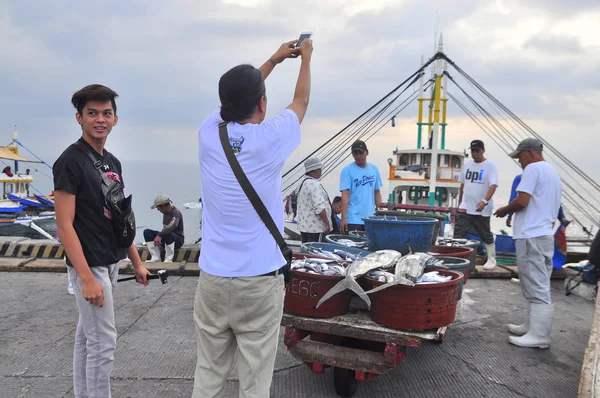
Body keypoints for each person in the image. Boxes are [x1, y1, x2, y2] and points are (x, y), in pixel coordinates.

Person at [194, 37, 313, 397]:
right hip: (259, 281)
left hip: (213, 277)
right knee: (255, 379)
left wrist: (273, 60)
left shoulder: (209, 132)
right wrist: (304, 58)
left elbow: (234, 100)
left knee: (209, 372)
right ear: (262, 104)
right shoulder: (269, 140)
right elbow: (301, 101)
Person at [53, 84, 150, 397]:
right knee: (103, 343)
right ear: (78, 118)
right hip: (89, 265)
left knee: (88, 338)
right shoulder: (70, 161)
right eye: (91, 113)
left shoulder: (112, 163)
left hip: (109, 261)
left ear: (115, 119)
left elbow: (120, 218)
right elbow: (65, 225)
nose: (99, 119)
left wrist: (136, 262)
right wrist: (85, 279)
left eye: (106, 113)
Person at [494, 138, 562, 349]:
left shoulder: (532, 170)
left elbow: (522, 201)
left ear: (531, 153)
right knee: (537, 282)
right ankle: (530, 327)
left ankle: (539, 336)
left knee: (536, 284)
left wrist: (504, 210)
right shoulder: (552, 173)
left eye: (520, 157)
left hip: (531, 235)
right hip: (544, 234)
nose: (519, 162)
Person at [454, 139, 499, 270]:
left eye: (477, 151)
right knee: (458, 233)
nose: (475, 153)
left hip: (481, 208)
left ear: (483, 150)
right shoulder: (466, 166)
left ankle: (491, 258)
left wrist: (484, 201)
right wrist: (459, 204)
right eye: (473, 151)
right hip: (465, 206)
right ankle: (458, 258)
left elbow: (493, 185)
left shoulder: (490, 166)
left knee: (485, 233)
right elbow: (462, 185)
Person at [339, 140, 383, 234]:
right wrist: (343, 218)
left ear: (367, 152)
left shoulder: (374, 169)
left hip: (370, 218)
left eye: (361, 153)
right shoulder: (347, 170)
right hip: (353, 219)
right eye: (356, 153)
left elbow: (377, 191)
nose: (359, 156)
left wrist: (380, 212)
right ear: (352, 155)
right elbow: (345, 194)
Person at [296, 157, 332, 243]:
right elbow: (319, 207)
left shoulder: (302, 182)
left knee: (306, 250)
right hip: (316, 229)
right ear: (312, 170)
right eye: (319, 169)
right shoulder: (314, 184)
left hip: (304, 227)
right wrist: (326, 223)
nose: (321, 172)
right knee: (317, 251)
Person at [143, 194, 185, 262]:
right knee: (147, 232)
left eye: (158, 208)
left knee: (169, 234)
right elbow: (165, 229)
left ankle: (168, 260)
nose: (158, 210)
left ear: (162, 206)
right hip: (166, 238)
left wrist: (160, 235)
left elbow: (172, 225)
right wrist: (159, 236)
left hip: (177, 240)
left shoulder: (176, 213)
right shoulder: (165, 213)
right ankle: (155, 257)